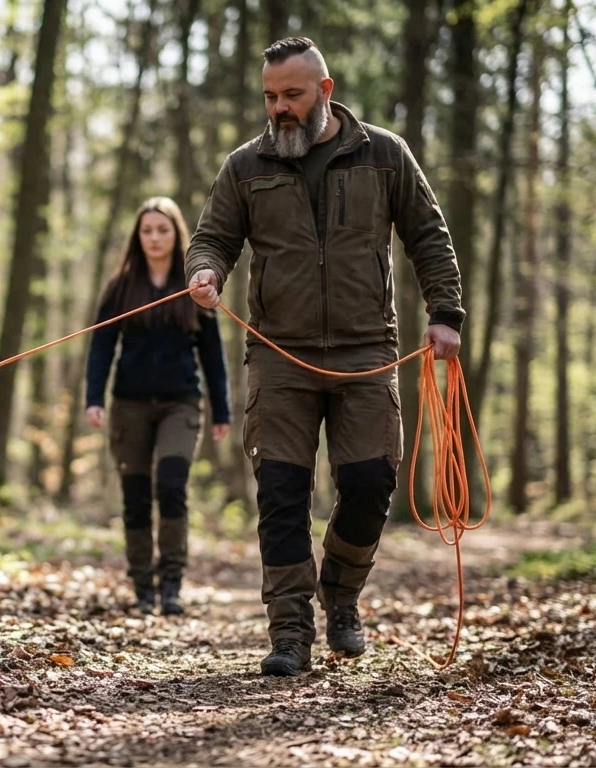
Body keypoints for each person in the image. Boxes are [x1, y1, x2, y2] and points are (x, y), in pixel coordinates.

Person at [185, 37, 464, 676]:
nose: (279, 108)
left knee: (370, 485)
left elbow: (429, 236)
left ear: (325, 91)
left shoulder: (385, 155)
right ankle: (289, 633)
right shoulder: (245, 166)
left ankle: (340, 595)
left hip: (368, 349)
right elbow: (213, 237)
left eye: (292, 94)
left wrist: (445, 313)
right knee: (281, 493)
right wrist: (205, 271)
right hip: (279, 355)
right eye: (270, 96)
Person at [85, 196, 232, 617]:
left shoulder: (196, 289)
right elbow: (101, 348)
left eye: (162, 230)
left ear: (176, 234)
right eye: (147, 230)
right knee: (135, 497)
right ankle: (142, 584)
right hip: (128, 404)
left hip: (181, 404)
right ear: (138, 237)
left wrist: (221, 410)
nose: (154, 237)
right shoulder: (120, 287)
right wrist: (94, 399)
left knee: (171, 487)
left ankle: (171, 584)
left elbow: (213, 353)